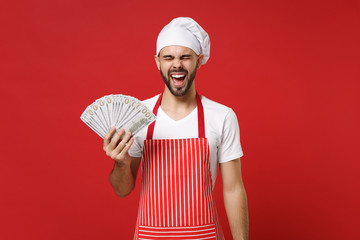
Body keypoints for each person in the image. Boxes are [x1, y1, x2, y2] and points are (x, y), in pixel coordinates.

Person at [103, 17, 249, 240]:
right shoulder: (138, 115)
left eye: (185, 57)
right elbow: (122, 190)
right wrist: (120, 163)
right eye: (168, 57)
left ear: (199, 61)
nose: (177, 65)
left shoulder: (222, 116)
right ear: (157, 61)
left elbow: (233, 189)